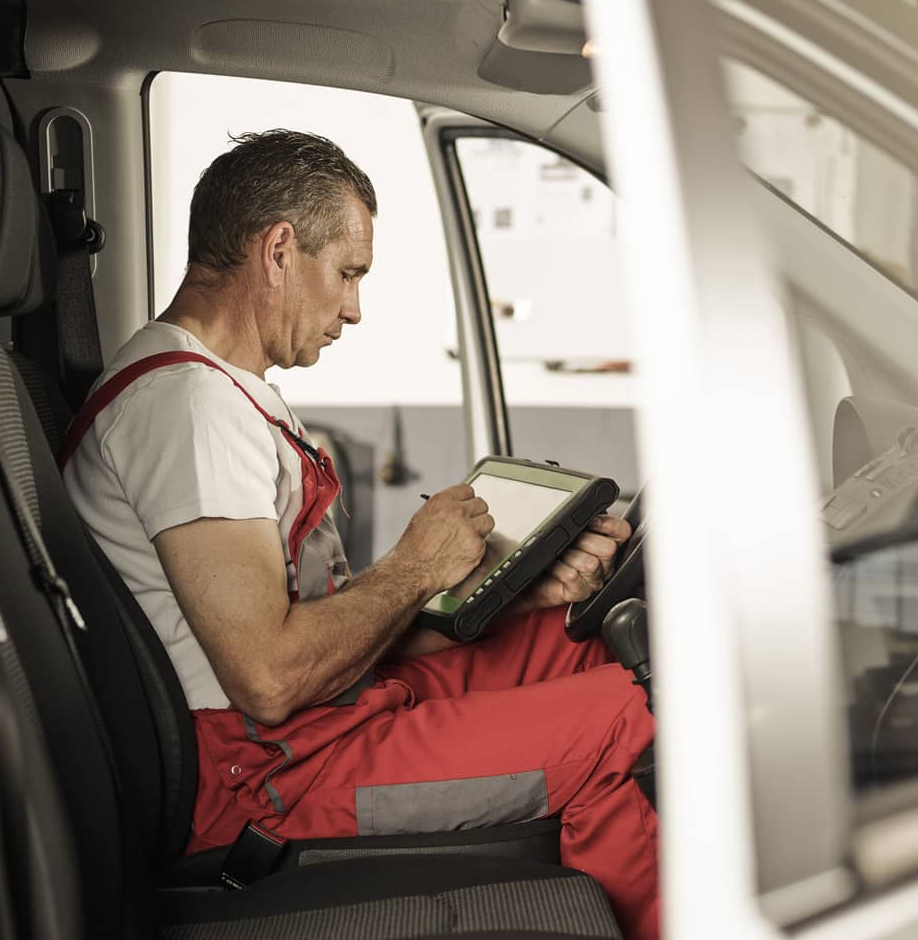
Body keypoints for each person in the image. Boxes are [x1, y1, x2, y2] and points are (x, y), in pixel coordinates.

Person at [62, 129, 658, 939]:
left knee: (577, 639)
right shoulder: (187, 409)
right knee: (623, 719)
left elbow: (319, 633)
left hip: (320, 714)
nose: (353, 308)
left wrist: (516, 589)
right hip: (268, 774)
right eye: (346, 274)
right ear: (278, 250)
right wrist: (414, 568)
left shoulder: (220, 390)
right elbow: (270, 676)